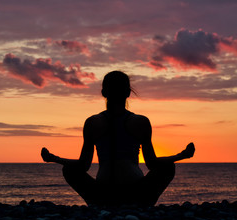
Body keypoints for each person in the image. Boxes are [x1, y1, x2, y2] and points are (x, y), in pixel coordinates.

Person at [41, 71, 195, 207]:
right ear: (128, 93)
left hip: (103, 194)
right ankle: (140, 205)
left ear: (103, 92)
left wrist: (55, 158)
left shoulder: (93, 122)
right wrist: (181, 155)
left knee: (69, 169)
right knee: (168, 167)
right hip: (136, 193)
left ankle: (99, 205)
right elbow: (152, 163)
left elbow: (83, 166)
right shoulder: (140, 122)